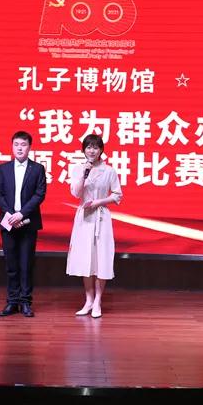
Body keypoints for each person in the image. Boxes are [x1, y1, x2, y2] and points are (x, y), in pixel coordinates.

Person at [66, 134, 123, 318]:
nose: (92, 151)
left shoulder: (109, 171)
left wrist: (98, 202)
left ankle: (98, 301)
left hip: (101, 217)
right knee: (86, 259)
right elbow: (76, 193)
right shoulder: (78, 169)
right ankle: (88, 300)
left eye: (95, 147)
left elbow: (117, 195)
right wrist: (84, 174)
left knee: (101, 259)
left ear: (101, 150)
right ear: (84, 150)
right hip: (84, 218)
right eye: (88, 147)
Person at [0, 131, 47, 318]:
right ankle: (12, 301)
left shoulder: (37, 169)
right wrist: (11, 215)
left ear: (29, 147)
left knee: (26, 264)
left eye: (23, 145)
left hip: (28, 222)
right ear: (12, 146)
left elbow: (39, 194)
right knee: (11, 264)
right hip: (8, 222)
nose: (19, 148)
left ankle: (25, 302)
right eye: (16, 144)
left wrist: (21, 214)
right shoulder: (3, 169)